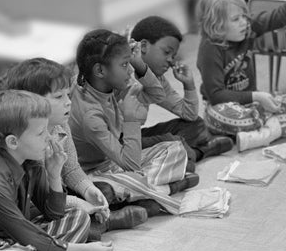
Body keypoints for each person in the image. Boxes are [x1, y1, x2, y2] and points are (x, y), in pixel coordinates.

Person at [0, 90, 114, 251]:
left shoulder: (31, 162)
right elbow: (24, 233)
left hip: (16, 237)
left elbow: (54, 213)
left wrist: (54, 175)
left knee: (78, 217)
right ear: (13, 142)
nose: (48, 137)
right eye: (40, 133)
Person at [0, 57, 149, 237]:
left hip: (59, 193)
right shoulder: (28, 140)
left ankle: (99, 219)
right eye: (59, 97)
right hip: (33, 206)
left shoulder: (61, 126)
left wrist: (88, 190)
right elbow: (39, 200)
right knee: (73, 219)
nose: (68, 102)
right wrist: (78, 204)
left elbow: (71, 169)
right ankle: (106, 223)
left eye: (68, 95)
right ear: (32, 102)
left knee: (102, 191)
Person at [70, 29, 199, 217]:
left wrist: (139, 64)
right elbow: (131, 165)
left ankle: (146, 193)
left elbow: (157, 94)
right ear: (100, 70)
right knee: (112, 186)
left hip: (116, 164)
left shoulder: (108, 85)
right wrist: (131, 118)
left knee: (176, 149)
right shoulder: (90, 114)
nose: (129, 71)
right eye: (124, 64)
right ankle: (163, 190)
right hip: (93, 174)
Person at [196, 0, 286, 152]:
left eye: (244, 17)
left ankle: (262, 134)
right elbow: (217, 95)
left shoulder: (247, 29)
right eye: (236, 19)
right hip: (225, 108)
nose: (244, 23)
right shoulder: (210, 49)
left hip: (253, 107)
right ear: (217, 26)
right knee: (218, 116)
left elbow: (280, 16)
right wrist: (257, 96)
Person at [130, 15, 233, 168]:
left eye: (173, 56)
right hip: (115, 144)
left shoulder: (158, 80)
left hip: (135, 137)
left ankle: (183, 155)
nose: (171, 60)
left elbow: (189, 115)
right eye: (166, 52)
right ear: (143, 47)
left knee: (197, 125)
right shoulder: (123, 73)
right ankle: (197, 153)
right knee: (173, 143)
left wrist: (189, 85)